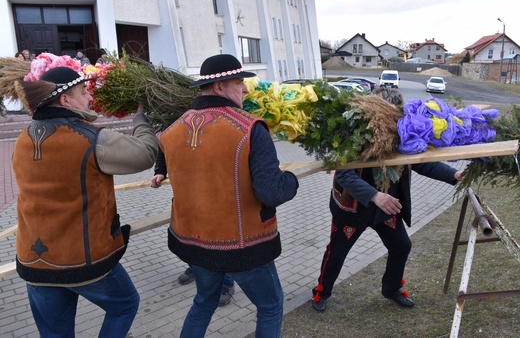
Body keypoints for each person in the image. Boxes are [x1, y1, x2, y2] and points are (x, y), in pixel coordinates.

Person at [156, 53, 299, 337]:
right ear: (220, 86)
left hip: (193, 241)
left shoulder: (172, 129)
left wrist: (159, 169)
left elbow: (165, 154)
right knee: (271, 305)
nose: (245, 89)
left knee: (203, 302)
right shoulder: (250, 128)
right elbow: (270, 192)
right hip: (243, 246)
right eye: (239, 82)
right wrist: (291, 180)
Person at [12, 66, 158, 337]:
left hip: (35, 262)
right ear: (65, 100)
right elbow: (145, 154)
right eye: (83, 91)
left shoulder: (22, 139)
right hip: (83, 261)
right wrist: (140, 118)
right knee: (125, 305)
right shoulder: (90, 138)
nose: (90, 97)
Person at [311, 88, 463, 312]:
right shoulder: (354, 135)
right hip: (353, 209)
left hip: (386, 209)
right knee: (337, 253)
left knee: (401, 246)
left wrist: (454, 174)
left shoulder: (403, 132)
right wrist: (374, 195)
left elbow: (422, 162)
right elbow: (343, 175)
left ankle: (390, 289)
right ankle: (322, 292)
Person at [150, 158, 236, 307]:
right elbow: (163, 149)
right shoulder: (168, 134)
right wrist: (161, 171)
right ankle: (196, 267)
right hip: (185, 196)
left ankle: (226, 283)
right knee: (187, 239)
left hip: (213, 192)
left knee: (218, 241)